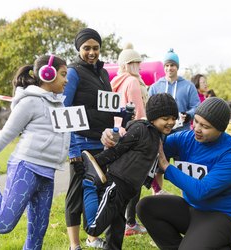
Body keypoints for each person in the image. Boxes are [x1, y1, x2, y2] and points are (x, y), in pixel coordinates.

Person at [0, 55, 70, 249]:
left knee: (37, 236)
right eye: (63, 74)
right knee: (2, 224)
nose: (66, 80)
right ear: (47, 74)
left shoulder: (60, 103)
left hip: (47, 174)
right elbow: (6, 135)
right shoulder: (30, 102)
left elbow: (66, 136)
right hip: (26, 168)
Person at [135, 97, 231, 249]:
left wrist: (166, 167)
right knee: (146, 206)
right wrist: (120, 138)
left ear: (221, 129)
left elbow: (202, 191)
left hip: (222, 215)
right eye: (197, 121)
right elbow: (151, 144)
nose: (197, 129)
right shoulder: (185, 138)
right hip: (191, 208)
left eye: (205, 126)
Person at [80, 93, 178, 250]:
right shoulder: (141, 128)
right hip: (116, 185)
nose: (171, 122)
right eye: (166, 118)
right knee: (93, 227)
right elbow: (117, 150)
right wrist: (95, 163)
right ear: (153, 117)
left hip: (128, 191)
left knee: (116, 231)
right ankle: (89, 184)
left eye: (174, 118)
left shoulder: (157, 136)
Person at [63, 28, 114, 250]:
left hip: (102, 142)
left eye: (95, 48)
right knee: (77, 192)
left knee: (98, 190)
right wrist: (72, 144)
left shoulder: (103, 74)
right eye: (87, 48)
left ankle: (92, 238)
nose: (92, 52)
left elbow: (108, 105)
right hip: (80, 142)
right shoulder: (73, 72)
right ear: (79, 49)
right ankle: (74, 245)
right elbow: (64, 108)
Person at [148, 48, 200, 194]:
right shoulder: (155, 86)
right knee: (158, 167)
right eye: (167, 65)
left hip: (181, 134)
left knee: (184, 167)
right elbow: (149, 107)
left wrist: (188, 115)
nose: (169, 68)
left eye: (172, 65)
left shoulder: (188, 86)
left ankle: (188, 196)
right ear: (164, 67)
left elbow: (197, 106)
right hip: (161, 135)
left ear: (177, 66)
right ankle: (156, 196)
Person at [110, 43, 148, 236]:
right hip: (134, 133)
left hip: (119, 133)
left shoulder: (117, 81)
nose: (138, 66)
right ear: (128, 64)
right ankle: (130, 222)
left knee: (120, 178)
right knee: (136, 179)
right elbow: (139, 111)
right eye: (135, 62)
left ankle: (119, 219)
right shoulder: (132, 82)